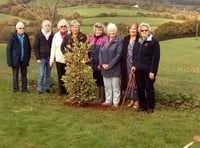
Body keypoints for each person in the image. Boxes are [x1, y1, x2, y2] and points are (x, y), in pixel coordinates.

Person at [131, 22, 160, 114]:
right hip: (138, 69)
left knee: (149, 88)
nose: (144, 32)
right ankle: (142, 106)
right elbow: (135, 55)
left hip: (148, 70)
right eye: (142, 30)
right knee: (140, 88)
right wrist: (134, 65)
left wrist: (153, 71)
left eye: (146, 30)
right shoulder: (139, 40)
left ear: (149, 31)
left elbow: (156, 58)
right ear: (140, 31)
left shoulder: (154, 41)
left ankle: (150, 107)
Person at [99, 23, 122, 107]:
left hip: (114, 68)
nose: (112, 32)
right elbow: (100, 53)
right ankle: (108, 101)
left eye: (113, 30)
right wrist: (102, 64)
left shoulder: (119, 41)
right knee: (107, 86)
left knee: (115, 86)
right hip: (104, 68)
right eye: (110, 30)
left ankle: (116, 102)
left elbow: (119, 55)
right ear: (107, 31)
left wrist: (110, 65)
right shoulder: (104, 40)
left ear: (116, 31)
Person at [6, 22, 31, 93]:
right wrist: (9, 62)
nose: (22, 29)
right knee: (15, 75)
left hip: (24, 60)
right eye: (20, 28)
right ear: (16, 29)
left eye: (23, 28)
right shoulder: (12, 37)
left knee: (24, 75)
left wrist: (27, 58)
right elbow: (9, 50)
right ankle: (16, 89)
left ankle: (24, 89)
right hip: (15, 60)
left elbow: (29, 48)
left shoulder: (26, 36)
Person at [121, 22, 139, 109]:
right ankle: (132, 100)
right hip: (127, 63)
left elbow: (140, 53)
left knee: (136, 82)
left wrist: (135, 64)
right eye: (131, 28)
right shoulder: (126, 39)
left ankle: (137, 101)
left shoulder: (140, 39)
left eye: (135, 29)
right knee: (129, 81)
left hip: (136, 64)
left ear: (137, 30)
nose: (133, 30)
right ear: (128, 30)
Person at [49, 19, 69, 95]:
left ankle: (68, 90)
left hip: (68, 59)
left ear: (67, 27)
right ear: (59, 27)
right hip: (59, 59)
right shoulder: (56, 35)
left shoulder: (70, 34)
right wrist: (51, 59)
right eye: (61, 26)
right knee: (60, 75)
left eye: (65, 26)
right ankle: (61, 91)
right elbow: (53, 48)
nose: (63, 27)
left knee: (68, 75)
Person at [89, 23, 107, 103]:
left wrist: (101, 63)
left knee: (101, 80)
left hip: (101, 63)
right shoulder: (91, 38)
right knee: (96, 80)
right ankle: (97, 96)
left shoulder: (105, 38)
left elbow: (105, 52)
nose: (99, 31)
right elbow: (89, 50)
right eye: (97, 29)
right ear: (95, 30)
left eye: (100, 30)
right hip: (93, 63)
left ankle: (102, 97)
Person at [34, 20, 54, 94]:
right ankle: (39, 88)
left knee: (48, 74)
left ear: (50, 26)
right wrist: (37, 58)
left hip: (50, 58)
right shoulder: (39, 34)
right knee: (41, 74)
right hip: (41, 58)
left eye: (48, 25)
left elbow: (54, 47)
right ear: (42, 26)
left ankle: (47, 87)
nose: (47, 27)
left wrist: (53, 58)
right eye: (45, 25)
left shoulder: (52, 34)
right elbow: (36, 47)